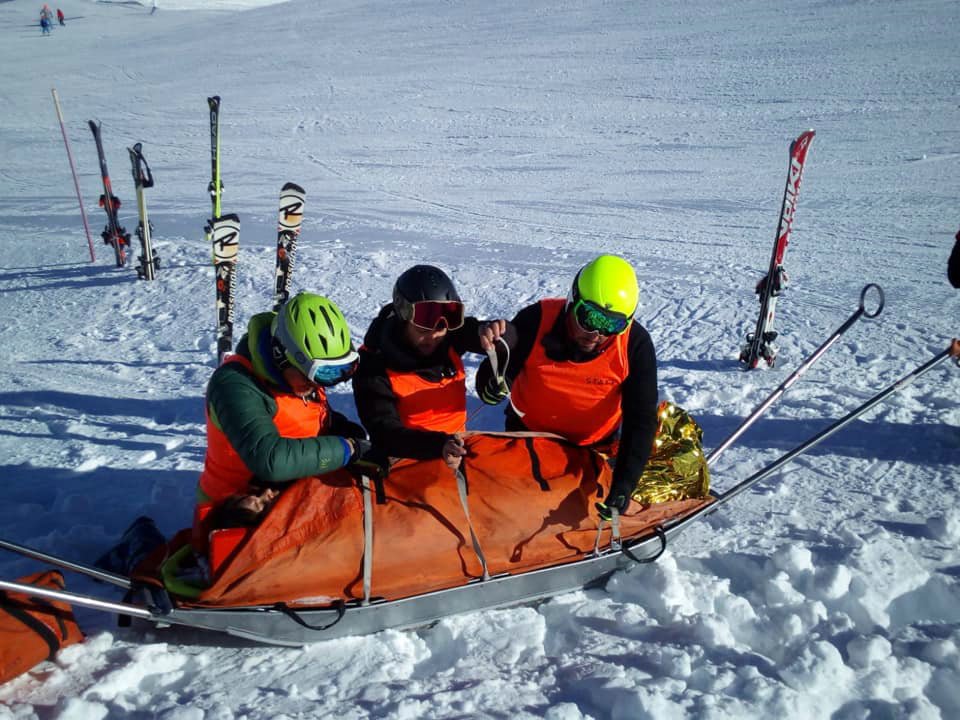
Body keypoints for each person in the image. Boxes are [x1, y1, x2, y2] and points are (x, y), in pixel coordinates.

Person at [475, 254, 659, 519]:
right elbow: (496, 372)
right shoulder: (536, 319)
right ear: (572, 300)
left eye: (612, 324)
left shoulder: (634, 345)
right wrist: (491, 384)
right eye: (589, 317)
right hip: (527, 439)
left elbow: (640, 419)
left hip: (592, 448)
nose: (596, 334)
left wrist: (625, 484)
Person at [194, 292, 386, 531]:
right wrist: (347, 448)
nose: (317, 385)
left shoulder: (297, 381)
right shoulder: (235, 385)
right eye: (314, 375)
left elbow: (303, 418)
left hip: (294, 497)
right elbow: (270, 460)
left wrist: (343, 430)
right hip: (235, 514)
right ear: (280, 357)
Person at [352, 265, 508, 469]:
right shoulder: (374, 366)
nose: (433, 336)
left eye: (442, 327)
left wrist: (488, 331)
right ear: (403, 318)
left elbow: (471, 331)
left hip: (455, 452)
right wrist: (438, 446)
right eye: (423, 328)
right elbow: (385, 433)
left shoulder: (447, 338)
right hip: (406, 464)